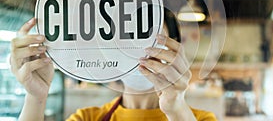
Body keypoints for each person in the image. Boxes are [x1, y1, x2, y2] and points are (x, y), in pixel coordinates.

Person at [10, 18, 217, 121]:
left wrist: (177, 109)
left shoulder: (198, 119)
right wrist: (35, 98)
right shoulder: (87, 118)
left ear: (174, 49)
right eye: (124, 38)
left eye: (148, 37)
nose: (137, 52)